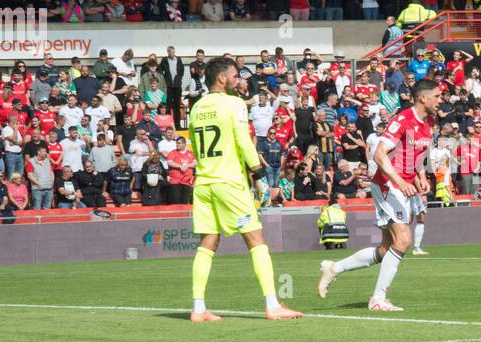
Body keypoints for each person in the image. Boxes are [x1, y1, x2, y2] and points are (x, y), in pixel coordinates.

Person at [186, 57, 302, 322]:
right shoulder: (234, 103)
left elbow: (194, 142)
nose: (240, 80)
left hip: (204, 182)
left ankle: (199, 307)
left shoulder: (196, 107)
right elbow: (243, 140)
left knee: (207, 243)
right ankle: (273, 305)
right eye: (236, 76)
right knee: (256, 240)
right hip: (229, 182)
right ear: (222, 78)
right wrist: (259, 174)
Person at [317, 78, 439, 312]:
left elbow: (416, 154)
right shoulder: (403, 119)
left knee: (386, 248)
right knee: (403, 240)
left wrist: (420, 175)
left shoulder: (427, 122)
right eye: (437, 96)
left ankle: (334, 268)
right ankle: (378, 299)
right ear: (423, 97)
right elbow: (379, 155)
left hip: (404, 185)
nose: (440, 100)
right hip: (388, 184)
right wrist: (400, 181)